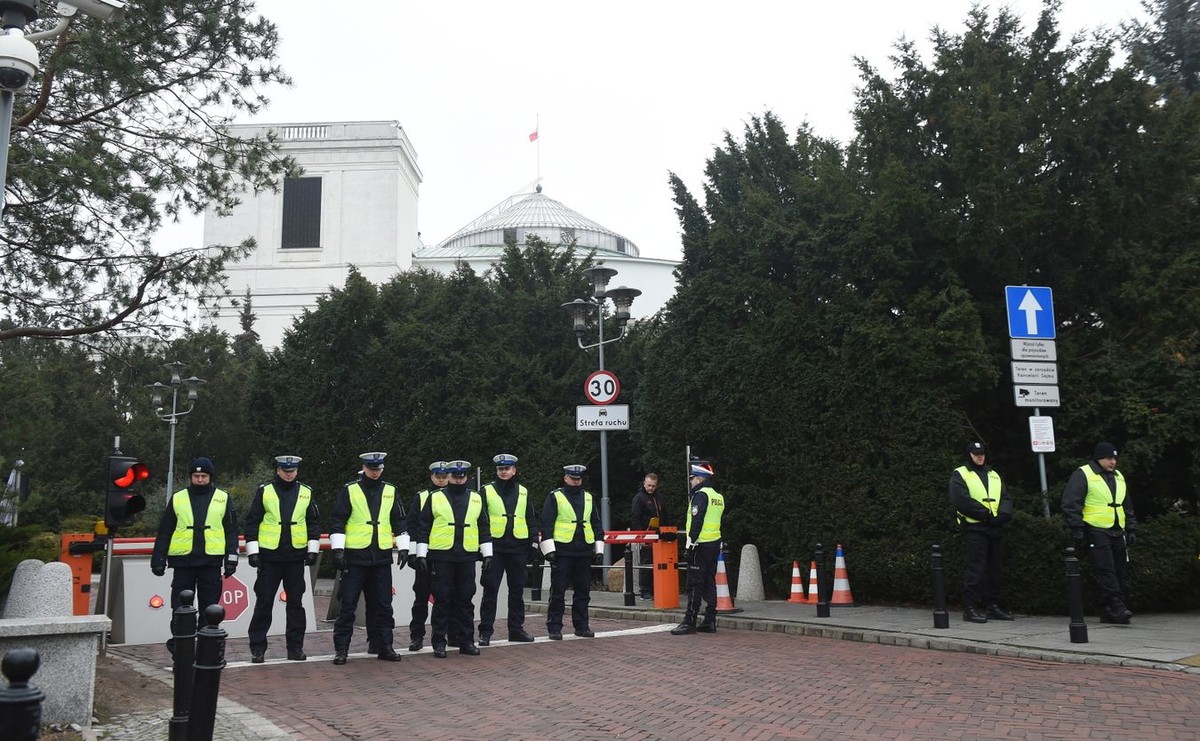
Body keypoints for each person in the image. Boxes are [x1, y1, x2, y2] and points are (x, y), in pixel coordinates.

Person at [150, 457, 239, 653]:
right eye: (196, 476)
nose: (199, 479)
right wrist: (158, 558)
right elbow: (165, 530)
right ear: (191, 476)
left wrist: (231, 559)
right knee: (180, 608)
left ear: (210, 477)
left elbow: (231, 531)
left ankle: (206, 646)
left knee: (210, 608)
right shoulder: (179, 497)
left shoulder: (223, 498)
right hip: (183, 562)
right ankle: (180, 647)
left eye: (203, 476)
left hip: (210, 562)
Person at [329, 452, 408, 665]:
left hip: (381, 557)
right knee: (347, 605)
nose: (375, 472)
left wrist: (403, 547)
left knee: (383, 605)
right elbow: (338, 520)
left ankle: (384, 646)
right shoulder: (350, 490)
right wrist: (338, 550)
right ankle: (342, 650)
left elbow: (399, 520)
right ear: (364, 467)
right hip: (355, 557)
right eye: (372, 468)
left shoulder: (391, 490)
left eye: (379, 468)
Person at [243, 455, 320, 663]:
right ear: (277, 470)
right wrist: (253, 551)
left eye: (292, 470)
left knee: (296, 604)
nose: (289, 473)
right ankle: (257, 648)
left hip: (296, 557)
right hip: (270, 557)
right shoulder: (264, 491)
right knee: (264, 602)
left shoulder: (306, 492)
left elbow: (313, 523)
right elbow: (252, 521)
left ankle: (295, 648)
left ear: (297, 471)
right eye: (285, 470)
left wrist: (312, 550)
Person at [413, 459, 492, 658]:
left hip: (466, 555)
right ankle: (439, 642)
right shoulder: (435, 497)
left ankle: (466, 641)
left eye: (462, 476)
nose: (458, 480)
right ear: (448, 477)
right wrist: (421, 553)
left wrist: (487, 553)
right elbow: (423, 526)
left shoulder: (476, 498)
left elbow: (483, 526)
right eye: (455, 477)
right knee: (442, 599)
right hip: (442, 555)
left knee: (466, 599)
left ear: (466, 477)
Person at [1061, 442, 1138, 624]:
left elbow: (1127, 504)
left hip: (1117, 530)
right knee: (1106, 571)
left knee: (1119, 570)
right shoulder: (1083, 474)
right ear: (1099, 458)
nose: (1113, 462)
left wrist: (1132, 528)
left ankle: (1108, 611)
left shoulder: (1118, 476)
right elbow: (1071, 503)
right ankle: (1117, 606)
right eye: (1109, 458)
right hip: (1095, 529)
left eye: (1114, 458)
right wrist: (1077, 528)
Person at [948, 442, 1013, 624]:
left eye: (982, 453)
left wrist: (1003, 515)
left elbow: (1006, 497)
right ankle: (970, 608)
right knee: (975, 570)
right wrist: (985, 515)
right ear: (969, 455)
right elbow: (961, 500)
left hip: (995, 527)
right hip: (976, 527)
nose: (980, 457)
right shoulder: (960, 474)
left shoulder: (993, 475)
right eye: (976, 454)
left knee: (995, 569)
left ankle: (992, 606)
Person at [477, 453, 537, 645]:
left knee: (517, 589)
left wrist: (534, 542)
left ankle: (516, 629)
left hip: (518, 546)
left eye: (507, 469)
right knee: (490, 589)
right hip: (495, 546)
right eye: (500, 469)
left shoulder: (523, 491)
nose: (504, 472)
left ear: (514, 470)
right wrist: (483, 545)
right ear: (497, 471)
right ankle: (485, 631)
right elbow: (480, 519)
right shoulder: (486, 491)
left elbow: (530, 518)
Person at [541, 464, 604, 640]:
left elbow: (596, 524)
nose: (576, 482)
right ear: (566, 478)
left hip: (583, 550)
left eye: (578, 479)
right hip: (562, 551)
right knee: (558, 592)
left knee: (583, 592)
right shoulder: (555, 496)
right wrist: (549, 551)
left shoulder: (589, 497)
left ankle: (582, 626)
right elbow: (546, 524)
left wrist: (598, 549)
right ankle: (554, 627)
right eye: (572, 479)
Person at [672, 462, 725, 635]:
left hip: (700, 545)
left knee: (694, 583)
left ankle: (690, 621)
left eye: (693, 479)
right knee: (710, 582)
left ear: (700, 479)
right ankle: (710, 621)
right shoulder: (718, 496)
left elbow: (697, 521)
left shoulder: (701, 495)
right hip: (714, 544)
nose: (691, 482)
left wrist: (690, 545)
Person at [407, 460, 449, 652]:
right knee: (421, 597)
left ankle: (442, 636)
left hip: (445, 554)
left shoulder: (456, 497)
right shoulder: (422, 497)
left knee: (445, 597)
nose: (441, 480)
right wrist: (414, 553)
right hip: (425, 554)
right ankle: (416, 636)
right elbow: (412, 526)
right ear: (431, 477)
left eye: (444, 476)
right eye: (437, 476)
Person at [629, 473, 662, 600]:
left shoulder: (659, 498)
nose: (651, 488)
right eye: (649, 485)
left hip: (657, 534)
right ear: (644, 484)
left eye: (653, 486)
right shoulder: (639, 498)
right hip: (646, 534)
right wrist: (641, 535)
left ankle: (655, 589)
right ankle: (645, 590)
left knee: (657, 563)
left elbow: (663, 514)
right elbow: (635, 517)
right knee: (646, 563)